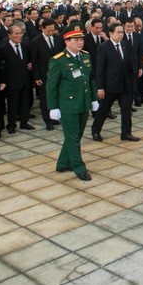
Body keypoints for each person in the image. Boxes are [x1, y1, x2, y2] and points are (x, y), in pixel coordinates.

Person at [47, 27, 99, 181]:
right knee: (73, 137)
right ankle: (79, 167)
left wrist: (94, 98)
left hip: (83, 103)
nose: (80, 42)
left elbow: (90, 79)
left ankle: (63, 163)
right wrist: (53, 107)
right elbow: (51, 86)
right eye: (76, 40)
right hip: (68, 105)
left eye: (81, 39)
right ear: (67, 41)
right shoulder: (58, 60)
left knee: (76, 135)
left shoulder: (85, 56)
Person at [91, 23, 140, 142]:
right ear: (110, 33)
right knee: (103, 110)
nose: (121, 34)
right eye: (118, 32)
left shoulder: (125, 45)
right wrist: (100, 87)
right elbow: (100, 69)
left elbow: (129, 63)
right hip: (110, 86)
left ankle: (126, 133)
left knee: (126, 109)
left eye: (122, 32)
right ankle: (96, 130)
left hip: (124, 85)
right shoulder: (103, 47)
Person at [29, 19, 62, 130]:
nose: (51, 32)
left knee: (57, 96)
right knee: (45, 98)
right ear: (42, 28)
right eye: (48, 30)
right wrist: (36, 76)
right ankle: (48, 120)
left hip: (58, 73)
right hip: (44, 74)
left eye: (53, 30)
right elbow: (35, 61)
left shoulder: (58, 39)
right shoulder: (36, 41)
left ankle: (54, 117)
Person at [1, 24, 34, 133]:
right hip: (12, 81)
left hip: (24, 80)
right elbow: (2, 67)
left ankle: (24, 122)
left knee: (25, 104)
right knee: (12, 105)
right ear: (9, 35)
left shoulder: (25, 46)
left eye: (21, 33)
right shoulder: (4, 48)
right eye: (16, 33)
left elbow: (28, 61)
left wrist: (30, 65)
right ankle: (11, 125)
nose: (19, 36)